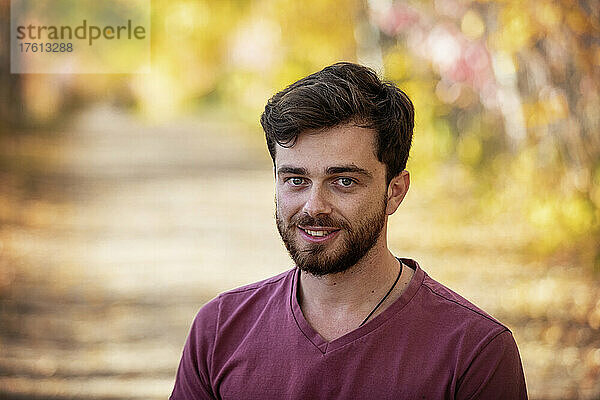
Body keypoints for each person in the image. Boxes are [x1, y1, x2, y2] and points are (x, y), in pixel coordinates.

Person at [170, 62, 527, 399]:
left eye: (343, 181)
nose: (314, 206)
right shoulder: (219, 331)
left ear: (394, 191)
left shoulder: (474, 352)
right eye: (296, 180)